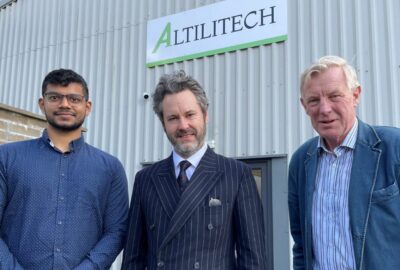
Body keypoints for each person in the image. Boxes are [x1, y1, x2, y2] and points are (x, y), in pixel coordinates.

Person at [121, 70, 267, 269]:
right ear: (163, 124)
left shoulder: (236, 174)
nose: (183, 125)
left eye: (190, 114)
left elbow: (253, 258)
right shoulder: (145, 179)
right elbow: (132, 258)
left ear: (205, 115)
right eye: (172, 118)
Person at [0, 69, 129, 269]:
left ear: (88, 107)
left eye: (74, 99)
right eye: (55, 97)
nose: (65, 104)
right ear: (42, 104)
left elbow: (117, 231)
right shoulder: (6, 158)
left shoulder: (110, 168)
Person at [288, 55, 400, 269]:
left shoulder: (393, 148)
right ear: (304, 106)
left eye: (334, 96)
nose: (324, 109)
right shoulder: (301, 161)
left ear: (355, 95)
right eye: (314, 100)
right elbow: (301, 244)